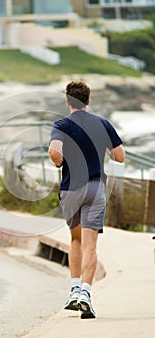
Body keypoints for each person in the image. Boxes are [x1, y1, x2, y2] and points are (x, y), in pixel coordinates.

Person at [48, 80, 124, 319]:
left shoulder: (61, 125)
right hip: (95, 188)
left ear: (68, 102)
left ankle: (73, 291)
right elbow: (119, 156)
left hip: (71, 189)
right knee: (91, 243)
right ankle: (86, 295)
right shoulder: (102, 123)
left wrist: (59, 160)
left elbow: (55, 154)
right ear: (88, 101)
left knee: (75, 240)